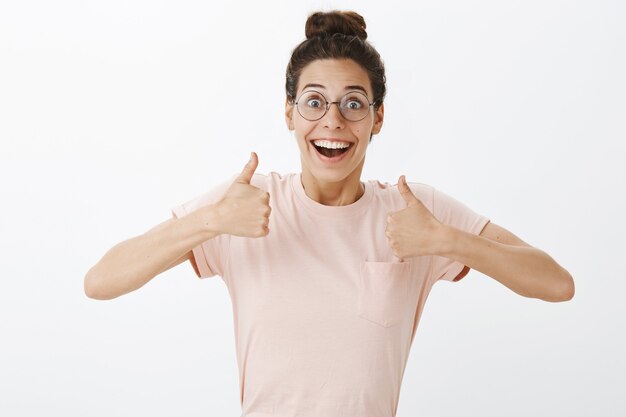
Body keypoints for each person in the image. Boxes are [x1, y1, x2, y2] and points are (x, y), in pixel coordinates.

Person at [84, 10, 575, 417]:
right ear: (289, 112)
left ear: (378, 117)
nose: (333, 122)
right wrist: (209, 221)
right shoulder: (244, 203)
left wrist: (448, 240)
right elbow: (101, 280)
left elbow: (557, 284)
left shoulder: (415, 212)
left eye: (353, 104)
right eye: (314, 102)